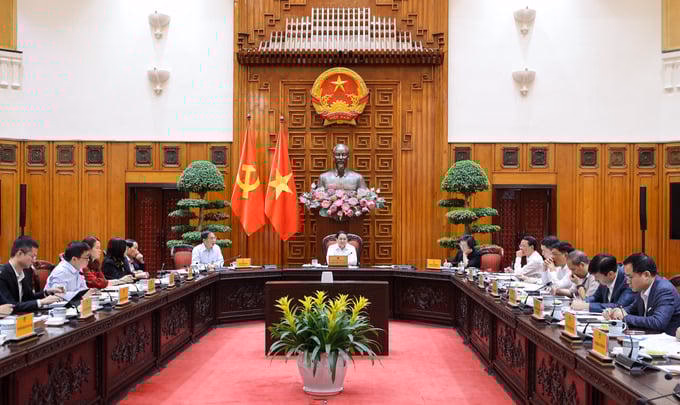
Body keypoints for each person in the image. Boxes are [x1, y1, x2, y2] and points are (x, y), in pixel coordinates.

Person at [604, 253, 680, 335]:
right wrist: (617, 311)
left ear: (646, 275)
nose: (627, 281)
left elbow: (658, 322)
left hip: (666, 339)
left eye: (630, 277)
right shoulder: (643, 288)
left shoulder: (664, 290)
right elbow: (633, 309)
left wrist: (624, 317)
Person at [0, 237, 63, 313]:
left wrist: (46, 293)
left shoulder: (26, 272)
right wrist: (42, 302)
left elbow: (29, 298)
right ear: (19, 253)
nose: (34, 260)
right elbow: (10, 306)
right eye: (32, 256)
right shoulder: (2, 274)